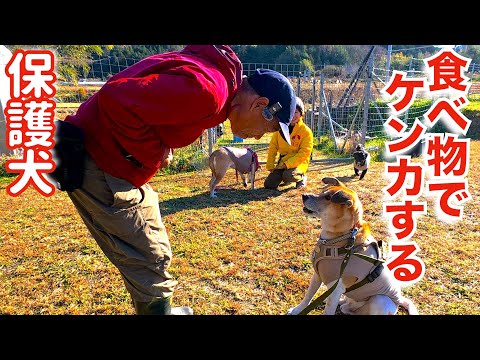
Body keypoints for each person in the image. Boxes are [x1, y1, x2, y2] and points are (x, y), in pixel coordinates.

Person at [52, 45, 297, 315]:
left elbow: (146, 104)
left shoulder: (217, 78)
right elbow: (115, 99)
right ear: (260, 105)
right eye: (270, 128)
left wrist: (158, 142)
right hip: (100, 162)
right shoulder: (209, 94)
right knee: (149, 259)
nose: (261, 136)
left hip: (109, 157)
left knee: (151, 248)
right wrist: (153, 152)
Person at [264, 96, 314, 190]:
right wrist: (270, 165)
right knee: (269, 185)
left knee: (288, 175)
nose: (292, 115)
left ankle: (301, 178)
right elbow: (273, 147)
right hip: (283, 162)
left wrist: (287, 164)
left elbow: (304, 153)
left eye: (296, 112)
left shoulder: (306, 131)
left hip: (298, 163)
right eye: (290, 112)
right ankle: (284, 176)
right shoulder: (280, 128)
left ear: (301, 114)